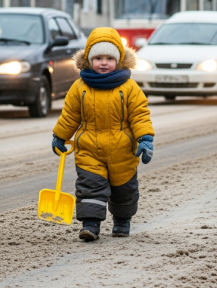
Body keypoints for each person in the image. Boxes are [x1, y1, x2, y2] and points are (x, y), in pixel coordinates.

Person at [51, 28, 155, 241]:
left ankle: (122, 222)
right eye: (98, 58)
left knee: (124, 189)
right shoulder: (79, 87)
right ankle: (90, 225)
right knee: (90, 186)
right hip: (89, 149)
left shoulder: (129, 87)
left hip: (123, 150)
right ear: (89, 60)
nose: (104, 63)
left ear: (119, 60)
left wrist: (145, 138)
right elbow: (70, 115)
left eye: (109, 58)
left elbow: (139, 115)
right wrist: (60, 136)